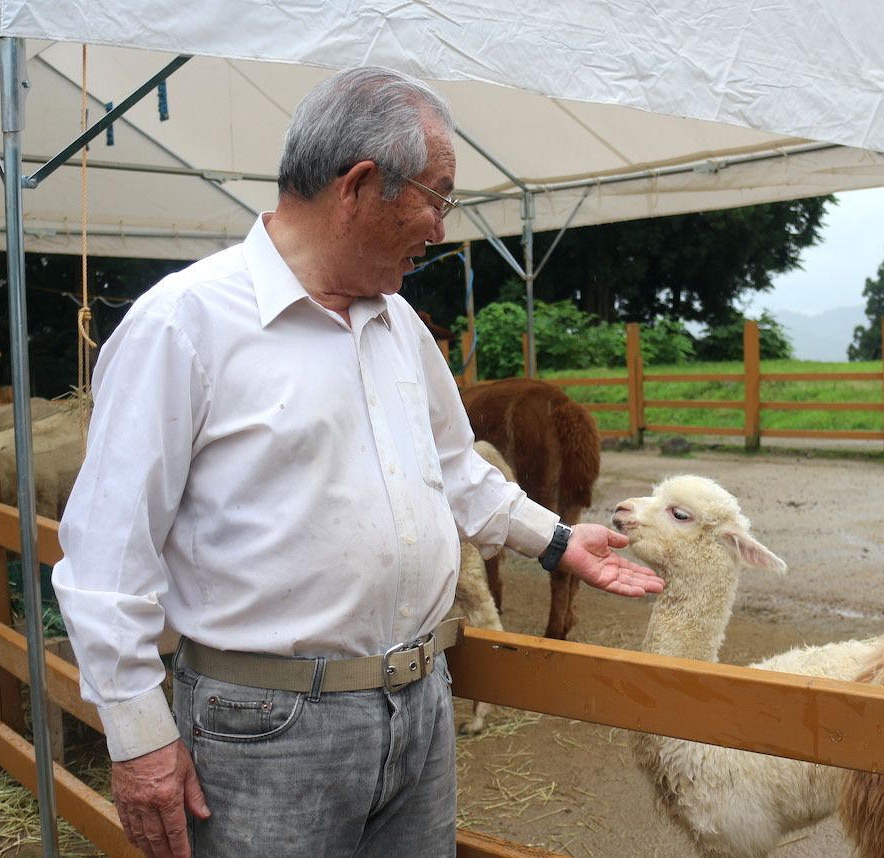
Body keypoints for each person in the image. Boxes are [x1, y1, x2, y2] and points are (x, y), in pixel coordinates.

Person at [52, 66, 663, 858]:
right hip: (264, 729)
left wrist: (556, 540)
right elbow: (107, 554)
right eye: (437, 197)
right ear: (362, 186)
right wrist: (137, 738)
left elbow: (455, 468)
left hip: (419, 702)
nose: (441, 228)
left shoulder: (397, 322)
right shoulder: (185, 323)